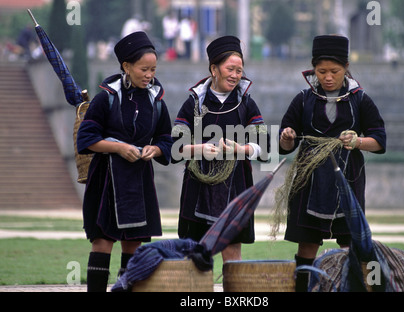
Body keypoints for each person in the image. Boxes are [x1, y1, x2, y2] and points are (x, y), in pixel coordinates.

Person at [278, 35, 386, 291]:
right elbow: (285, 143)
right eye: (322, 71)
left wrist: (358, 142)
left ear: (346, 67)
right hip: (309, 179)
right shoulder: (304, 99)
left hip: (347, 179)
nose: (328, 77)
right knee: (307, 242)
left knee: (350, 243)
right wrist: (287, 137)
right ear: (313, 69)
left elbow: (380, 140)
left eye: (334, 71)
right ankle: (303, 287)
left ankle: (351, 287)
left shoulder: (360, 100)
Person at [77, 31, 173, 292]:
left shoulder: (157, 102)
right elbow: (85, 139)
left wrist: (156, 149)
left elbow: (167, 140)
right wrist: (118, 148)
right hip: (106, 178)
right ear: (126, 66)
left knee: (134, 244)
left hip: (139, 179)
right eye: (144, 69)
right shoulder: (105, 98)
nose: (149, 74)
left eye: (153, 69)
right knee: (103, 241)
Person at [171, 36, 268, 263]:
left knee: (232, 254)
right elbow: (175, 148)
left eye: (239, 70)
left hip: (235, 187)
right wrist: (199, 149)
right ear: (214, 69)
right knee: (195, 254)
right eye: (230, 69)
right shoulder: (193, 104)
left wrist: (240, 149)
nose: (235, 75)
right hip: (197, 189)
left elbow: (265, 147)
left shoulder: (246, 104)